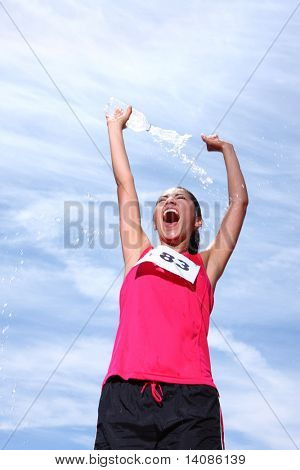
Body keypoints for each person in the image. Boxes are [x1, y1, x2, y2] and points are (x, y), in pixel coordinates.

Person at [94, 105, 249, 450]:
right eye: (164, 198)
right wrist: (114, 128)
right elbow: (124, 184)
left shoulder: (206, 266)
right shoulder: (138, 253)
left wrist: (227, 150)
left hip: (192, 402)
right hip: (125, 397)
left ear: (196, 220)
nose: (170, 200)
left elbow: (239, 204)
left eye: (179, 198)